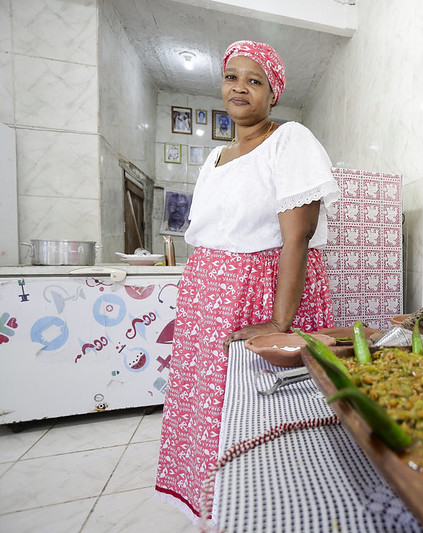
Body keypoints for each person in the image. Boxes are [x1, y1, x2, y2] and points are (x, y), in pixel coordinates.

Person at [155, 40, 340, 520]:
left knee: (256, 410)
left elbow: (296, 239)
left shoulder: (289, 140)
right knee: (208, 404)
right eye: (231, 77)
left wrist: (280, 323)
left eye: (254, 80)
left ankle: (261, 513)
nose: (240, 88)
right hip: (207, 298)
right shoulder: (214, 158)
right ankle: (214, 507)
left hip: (259, 291)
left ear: (273, 93)